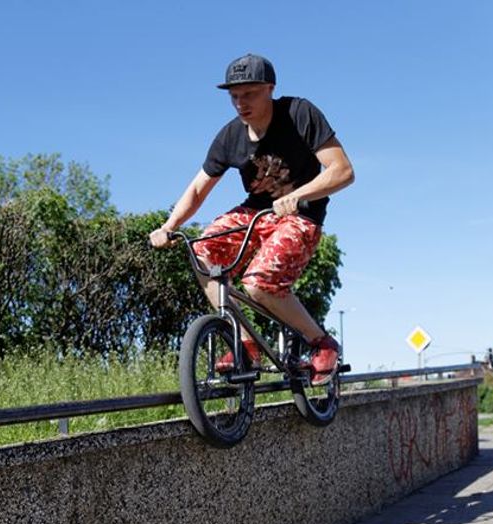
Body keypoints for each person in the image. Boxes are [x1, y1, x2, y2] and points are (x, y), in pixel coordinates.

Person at [149, 53, 354, 381]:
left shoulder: (299, 113)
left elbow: (343, 171)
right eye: (234, 96)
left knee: (258, 285)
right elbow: (199, 189)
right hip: (256, 212)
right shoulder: (230, 136)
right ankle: (246, 345)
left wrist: (297, 196)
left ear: (270, 88)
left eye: (250, 94)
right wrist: (169, 226)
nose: (240, 103)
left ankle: (321, 342)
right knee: (202, 251)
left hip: (302, 214)